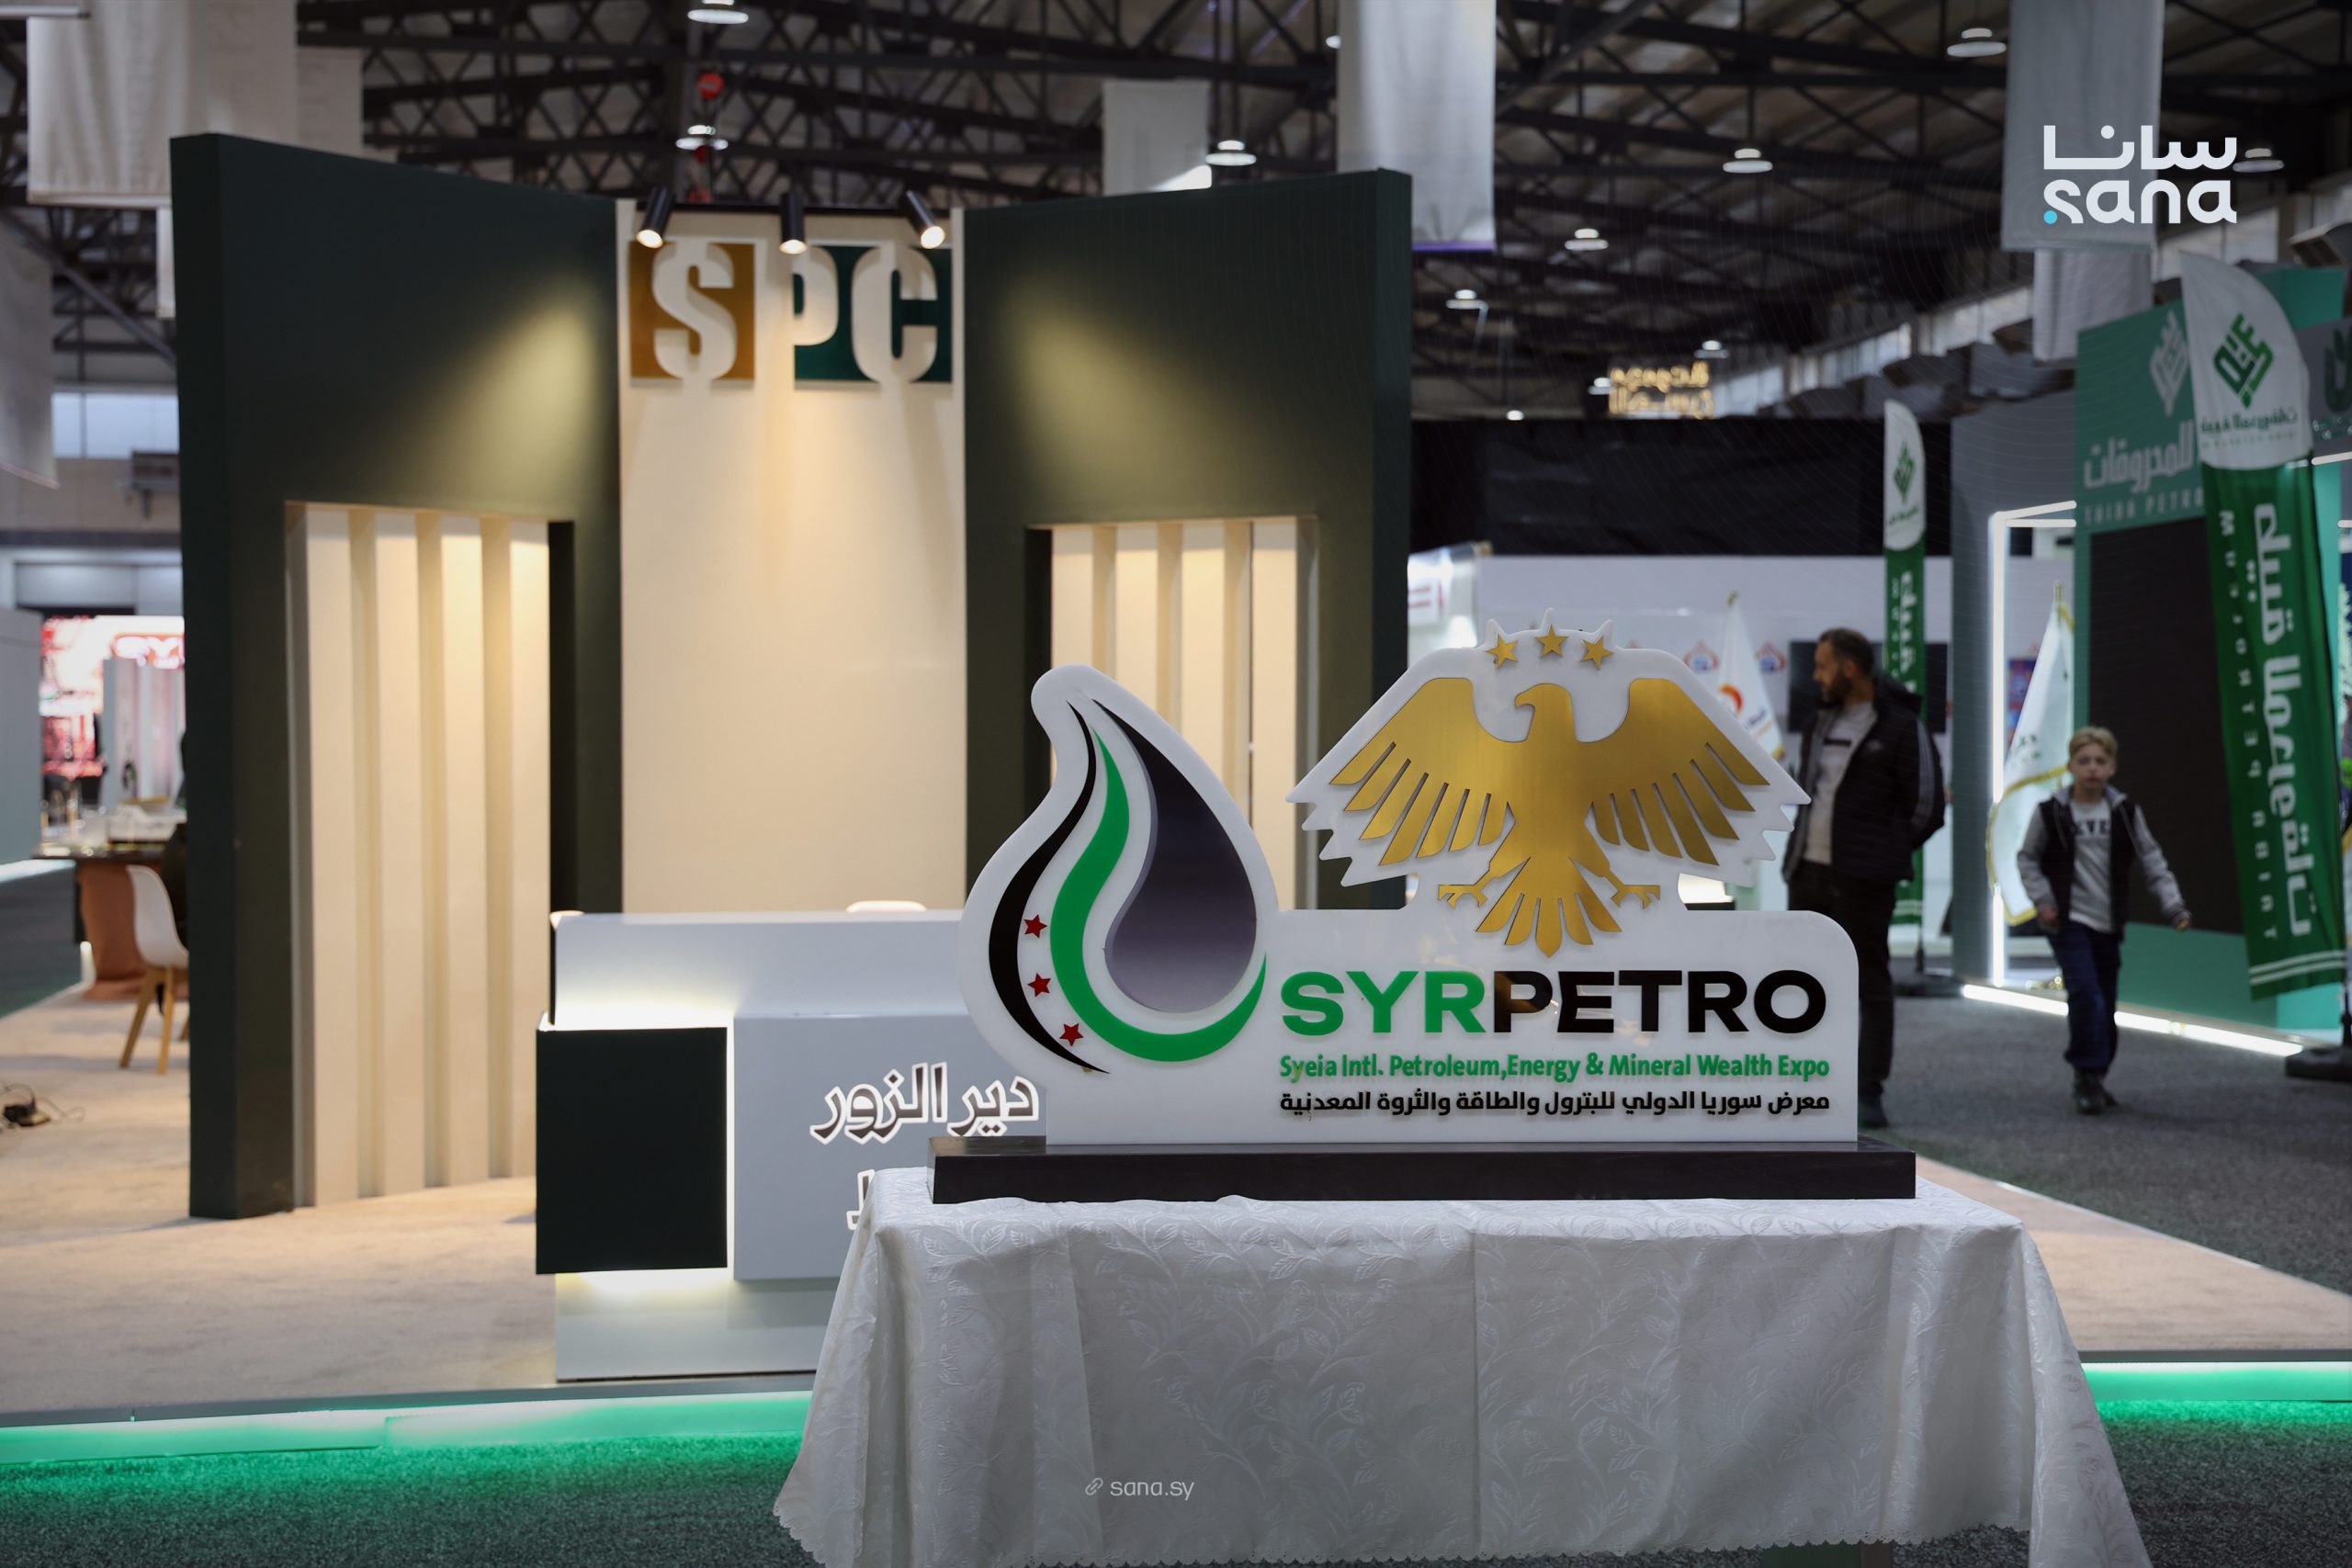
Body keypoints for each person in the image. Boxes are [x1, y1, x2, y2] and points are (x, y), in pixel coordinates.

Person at [1785, 628, 1944, 1131]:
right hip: (1808, 874)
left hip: (1864, 880)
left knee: (1869, 983)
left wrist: (1881, 853)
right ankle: (1807, 1084)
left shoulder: (1902, 726)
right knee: (1802, 982)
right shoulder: (1818, 720)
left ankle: (1867, 1090)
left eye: (1823, 665)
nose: (1816, 676)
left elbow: (1927, 807)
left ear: (1849, 668)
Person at [2016, 727, 2189, 1116]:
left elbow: (2151, 859)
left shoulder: (2124, 812)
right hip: (2067, 919)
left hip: (2108, 921)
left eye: (2099, 761)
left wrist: (2174, 906)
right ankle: (2085, 1073)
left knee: (2105, 1002)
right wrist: (2043, 901)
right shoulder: (2051, 812)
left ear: (2112, 767)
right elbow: (2027, 857)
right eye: (2084, 761)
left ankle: (2097, 1072)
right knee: (2086, 994)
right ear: (2070, 766)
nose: (2092, 768)